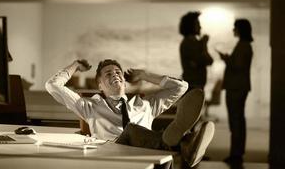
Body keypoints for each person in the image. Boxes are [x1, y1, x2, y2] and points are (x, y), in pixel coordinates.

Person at [46, 59, 215, 167]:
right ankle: (184, 144)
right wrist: (75, 65)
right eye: (108, 74)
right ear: (100, 86)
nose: (115, 75)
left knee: (136, 132)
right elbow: (53, 85)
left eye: (118, 72)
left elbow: (181, 87)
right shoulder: (89, 106)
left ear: (125, 83)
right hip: (111, 158)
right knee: (131, 129)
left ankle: (179, 143)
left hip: (149, 159)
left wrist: (144, 75)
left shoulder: (146, 104)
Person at [217, 19, 253, 165]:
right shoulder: (245, 46)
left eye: (235, 27)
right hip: (240, 87)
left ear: (240, 29)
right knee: (238, 120)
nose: (233, 30)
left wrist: (226, 58)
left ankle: (236, 154)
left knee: (236, 120)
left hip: (236, 87)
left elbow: (237, 65)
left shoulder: (243, 46)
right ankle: (237, 152)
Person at [179, 11, 213, 91]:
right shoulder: (188, 43)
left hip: (196, 85)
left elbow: (208, 60)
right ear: (191, 26)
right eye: (197, 24)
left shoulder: (195, 43)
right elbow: (208, 60)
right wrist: (204, 45)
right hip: (193, 86)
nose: (200, 27)